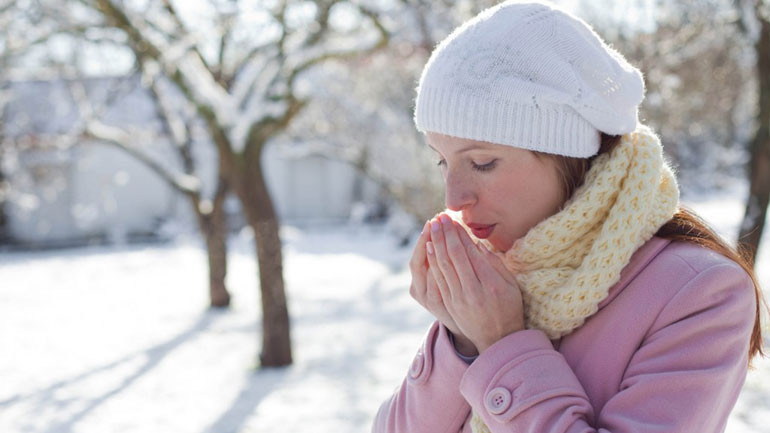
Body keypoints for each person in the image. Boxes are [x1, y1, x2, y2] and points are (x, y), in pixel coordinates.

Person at [372, 1, 767, 432]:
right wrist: (462, 340)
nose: (454, 197)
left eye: (482, 163)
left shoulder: (699, 293)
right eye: (442, 162)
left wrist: (503, 344)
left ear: (568, 154)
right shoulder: (501, 273)